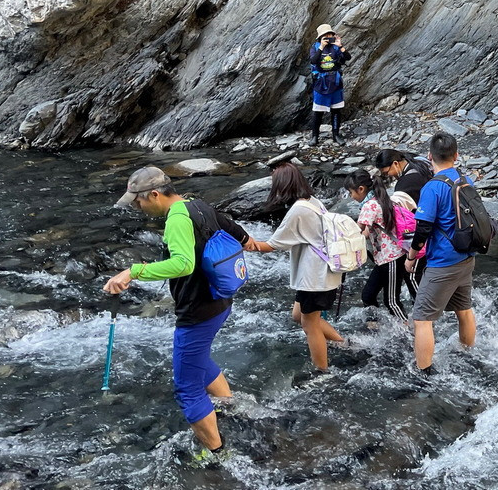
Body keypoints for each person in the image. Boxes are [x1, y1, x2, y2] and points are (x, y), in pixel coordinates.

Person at [102, 167, 252, 465]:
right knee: (197, 359)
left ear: (154, 195)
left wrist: (133, 272)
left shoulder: (176, 219)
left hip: (197, 310)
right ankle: (230, 408)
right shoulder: (197, 205)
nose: (137, 207)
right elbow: (241, 236)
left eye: (138, 202)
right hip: (220, 300)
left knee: (187, 390)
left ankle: (218, 454)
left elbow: (183, 264)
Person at [245, 163, 345, 379]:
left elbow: (272, 245)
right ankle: (342, 343)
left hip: (315, 278)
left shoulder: (298, 210)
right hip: (324, 273)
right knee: (298, 315)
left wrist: (245, 243)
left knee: (310, 325)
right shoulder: (312, 202)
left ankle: (322, 371)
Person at [406, 132, 478, 375]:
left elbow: (423, 227)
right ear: (456, 156)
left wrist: (411, 257)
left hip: (443, 262)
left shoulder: (432, 187)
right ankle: (468, 353)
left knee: (422, 319)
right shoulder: (465, 179)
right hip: (466, 256)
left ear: (429, 157)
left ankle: (424, 373)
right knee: (464, 309)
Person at [345, 169, 419, 325]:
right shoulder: (380, 199)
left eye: (351, 192)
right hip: (385, 258)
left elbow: (357, 230)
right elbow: (367, 231)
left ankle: (410, 333)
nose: (351, 197)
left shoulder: (369, 206)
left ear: (361, 189)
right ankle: (375, 327)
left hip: (392, 258)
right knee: (368, 295)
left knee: (391, 301)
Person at [308, 24, 351, 146]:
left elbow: (347, 57)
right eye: (325, 36)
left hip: (335, 82)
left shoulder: (336, 48)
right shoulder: (315, 47)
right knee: (318, 111)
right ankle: (315, 136)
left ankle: (336, 135)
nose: (328, 37)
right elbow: (313, 61)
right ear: (320, 37)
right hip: (321, 83)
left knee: (336, 110)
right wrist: (321, 47)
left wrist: (340, 46)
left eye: (330, 35)